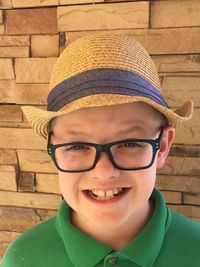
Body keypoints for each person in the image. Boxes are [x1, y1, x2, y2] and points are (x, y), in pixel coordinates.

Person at [1, 33, 200, 267]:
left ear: (163, 146)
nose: (104, 172)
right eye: (77, 146)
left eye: (130, 143)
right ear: (52, 148)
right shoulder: (23, 258)